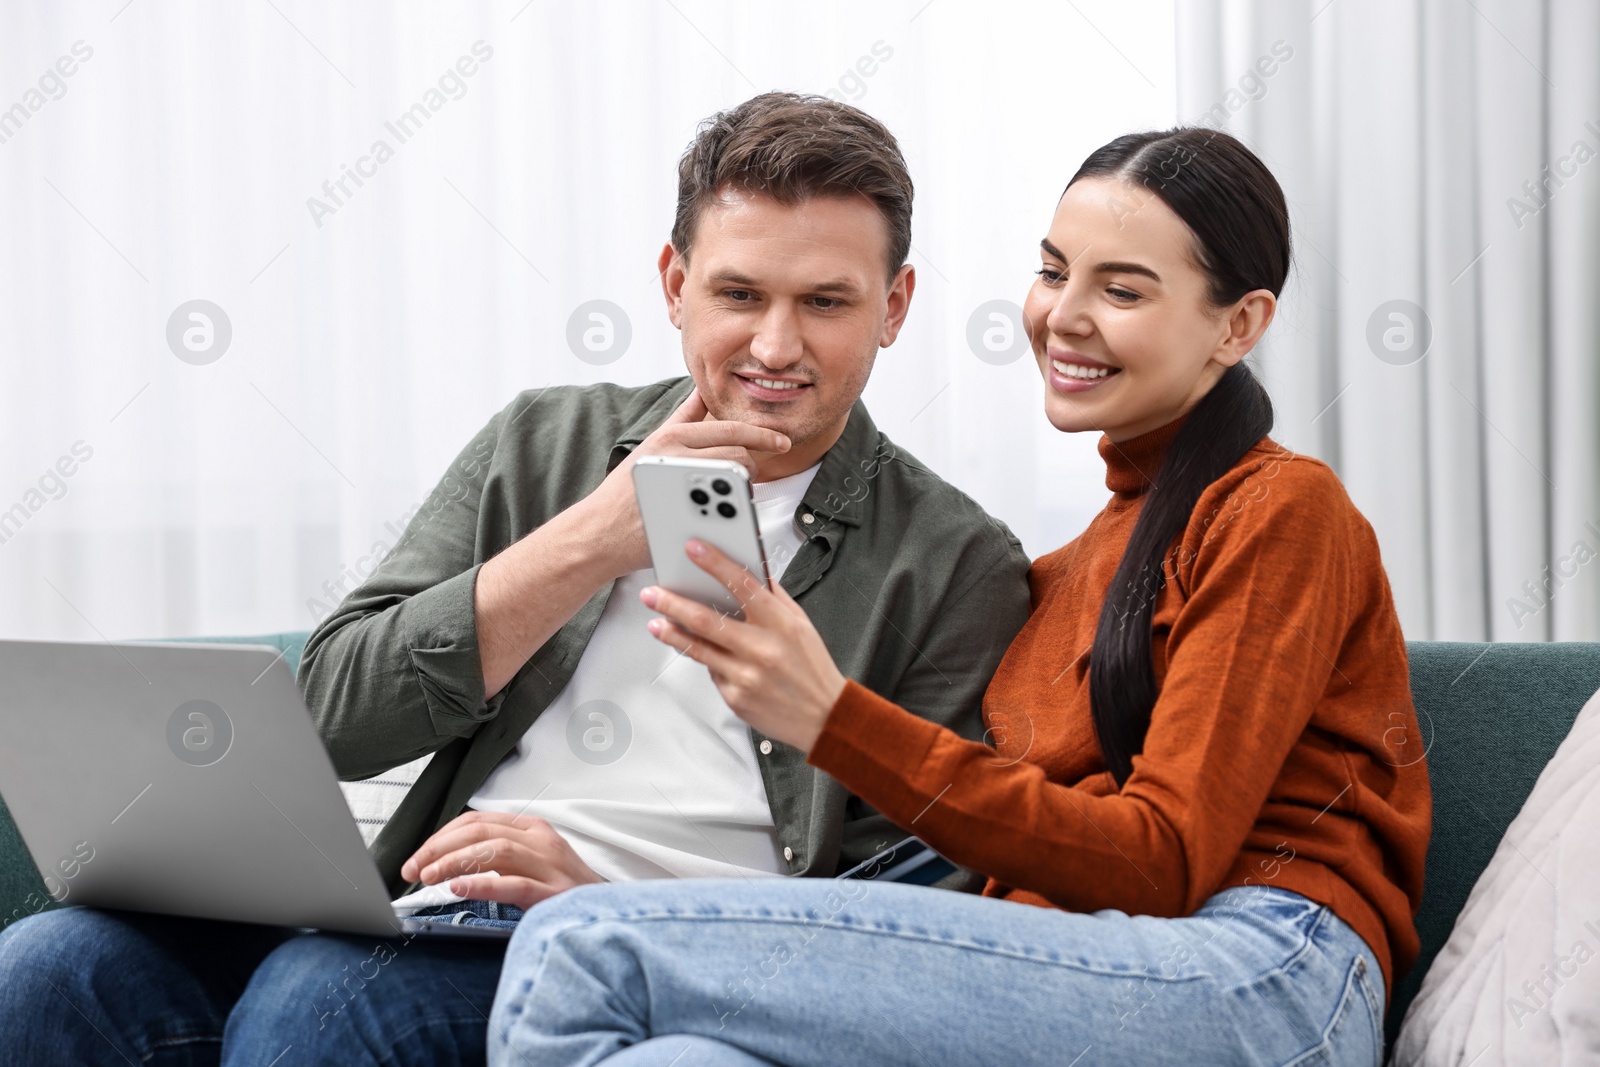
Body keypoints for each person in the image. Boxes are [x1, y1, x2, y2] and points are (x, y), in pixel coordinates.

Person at [0, 93, 1031, 1066]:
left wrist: (607, 912)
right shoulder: (543, 442)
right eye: (737, 293)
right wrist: (588, 537)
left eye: (825, 302)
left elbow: (906, 910)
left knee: (324, 996)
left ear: (892, 306)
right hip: (426, 914)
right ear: (674, 284)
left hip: (636, 954)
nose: (774, 343)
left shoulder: (954, 559)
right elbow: (333, 713)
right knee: (52, 968)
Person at [486, 128, 1434, 1067]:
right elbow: (1028, 845)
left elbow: (1164, 859)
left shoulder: (1278, 508)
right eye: (1056, 271)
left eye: (1124, 288)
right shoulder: (1056, 575)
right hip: (1101, 964)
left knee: (582, 944)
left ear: (1239, 324)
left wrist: (831, 718)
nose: (1065, 315)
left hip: (1262, 968)